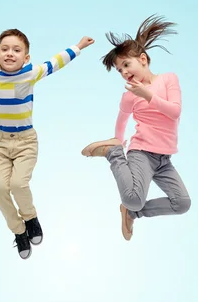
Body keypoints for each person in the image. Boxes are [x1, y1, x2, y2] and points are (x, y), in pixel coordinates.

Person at [0, 19, 94, 259]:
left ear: (26, 58)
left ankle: (30, 218)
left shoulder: (31, 73)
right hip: (2, 143)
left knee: (18, 184)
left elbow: (56, 62)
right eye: (5, 49)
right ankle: (19, 231)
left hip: (26, 141)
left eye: (16, 50)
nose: (10, 54)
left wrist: (79, 46)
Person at [81, 15, 190, 241]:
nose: (123, 72)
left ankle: (133, 213)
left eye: (126, 65)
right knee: (132, 197)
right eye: (119, 70)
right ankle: (114, 155)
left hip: (164, 160)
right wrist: (117, 142)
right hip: (141, 153)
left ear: (143, 59)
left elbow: (175, 111)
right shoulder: (129, 96)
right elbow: (122, 119)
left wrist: (148, 95)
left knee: (181, 203)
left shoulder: (169, 79)